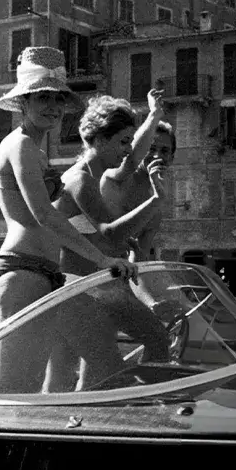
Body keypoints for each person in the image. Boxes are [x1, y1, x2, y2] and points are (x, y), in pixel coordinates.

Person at [0, 46, 137, 395]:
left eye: (58, 99)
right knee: (12, 384)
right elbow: (42, 214)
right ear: (23, 102)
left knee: (65, 370)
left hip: (46, 274)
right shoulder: (20, 145)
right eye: (42, 98)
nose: (53, 107)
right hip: (22, 271)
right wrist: (102, 260)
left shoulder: (34, 149)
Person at [48, 93, 172, 388]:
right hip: (73, 292)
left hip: (101, 288)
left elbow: (132, 161)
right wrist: (156, 200)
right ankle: (91, 416)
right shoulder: (79, 180)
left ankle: (149, 402)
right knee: (98, 371)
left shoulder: (102, 175)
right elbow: (111, 232)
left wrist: (154, 116)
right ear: (101, 141)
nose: (129, 150)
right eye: (123, 142)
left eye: (130, 141)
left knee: (158, 337)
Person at [101, 118, 177, 262]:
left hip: (111, 276)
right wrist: (154, 113)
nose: (157, 156)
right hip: (81, 273)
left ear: (171, 158)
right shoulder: (116, 175)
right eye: (151, 149)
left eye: (164, 151)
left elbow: (138, 260)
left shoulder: (156, 209)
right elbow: (131, 162)